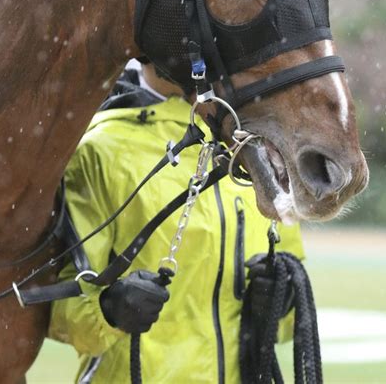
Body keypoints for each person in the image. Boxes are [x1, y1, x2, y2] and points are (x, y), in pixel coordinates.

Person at [49, 61, 304, 383]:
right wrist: (110, 310)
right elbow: (60, 313)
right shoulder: (99, 149)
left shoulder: (263, 152)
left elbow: (293, 308)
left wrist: (280, 302)